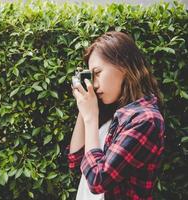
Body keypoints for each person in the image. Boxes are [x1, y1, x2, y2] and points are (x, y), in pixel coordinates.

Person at [65, 31, 165, 200]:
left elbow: (97, 180)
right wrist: (85, 107)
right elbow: (76, 161)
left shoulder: (146, 120)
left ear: (124, 66)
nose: (94, 84)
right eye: (90, 76)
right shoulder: (114, 113)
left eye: (97, 73)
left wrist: (90, 117)